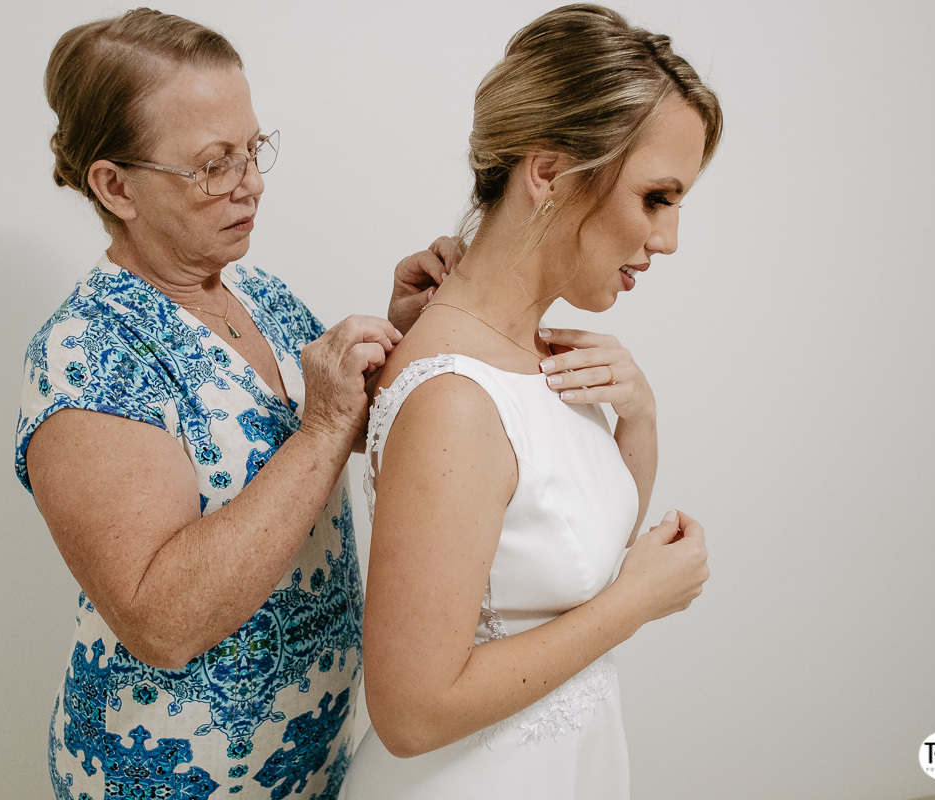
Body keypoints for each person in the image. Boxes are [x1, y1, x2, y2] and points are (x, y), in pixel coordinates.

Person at [15, 10, 458, 799]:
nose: (251, 182)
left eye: (254, 150)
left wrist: (404, 331)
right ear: (116, 186)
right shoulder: (85, 358)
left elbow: (330, 424)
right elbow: (161, 622)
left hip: (309, 763)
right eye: (214, 164)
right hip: (166, 780)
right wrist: (322, 426)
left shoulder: (251, 288)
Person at [340, 5, 723, 798]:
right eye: (657, 197)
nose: (671, 239)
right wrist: (634, 604)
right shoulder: (453, 398)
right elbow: (410, 712)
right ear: (547, 173)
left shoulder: (536, 354)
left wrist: (639, 418)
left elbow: (569, 554)